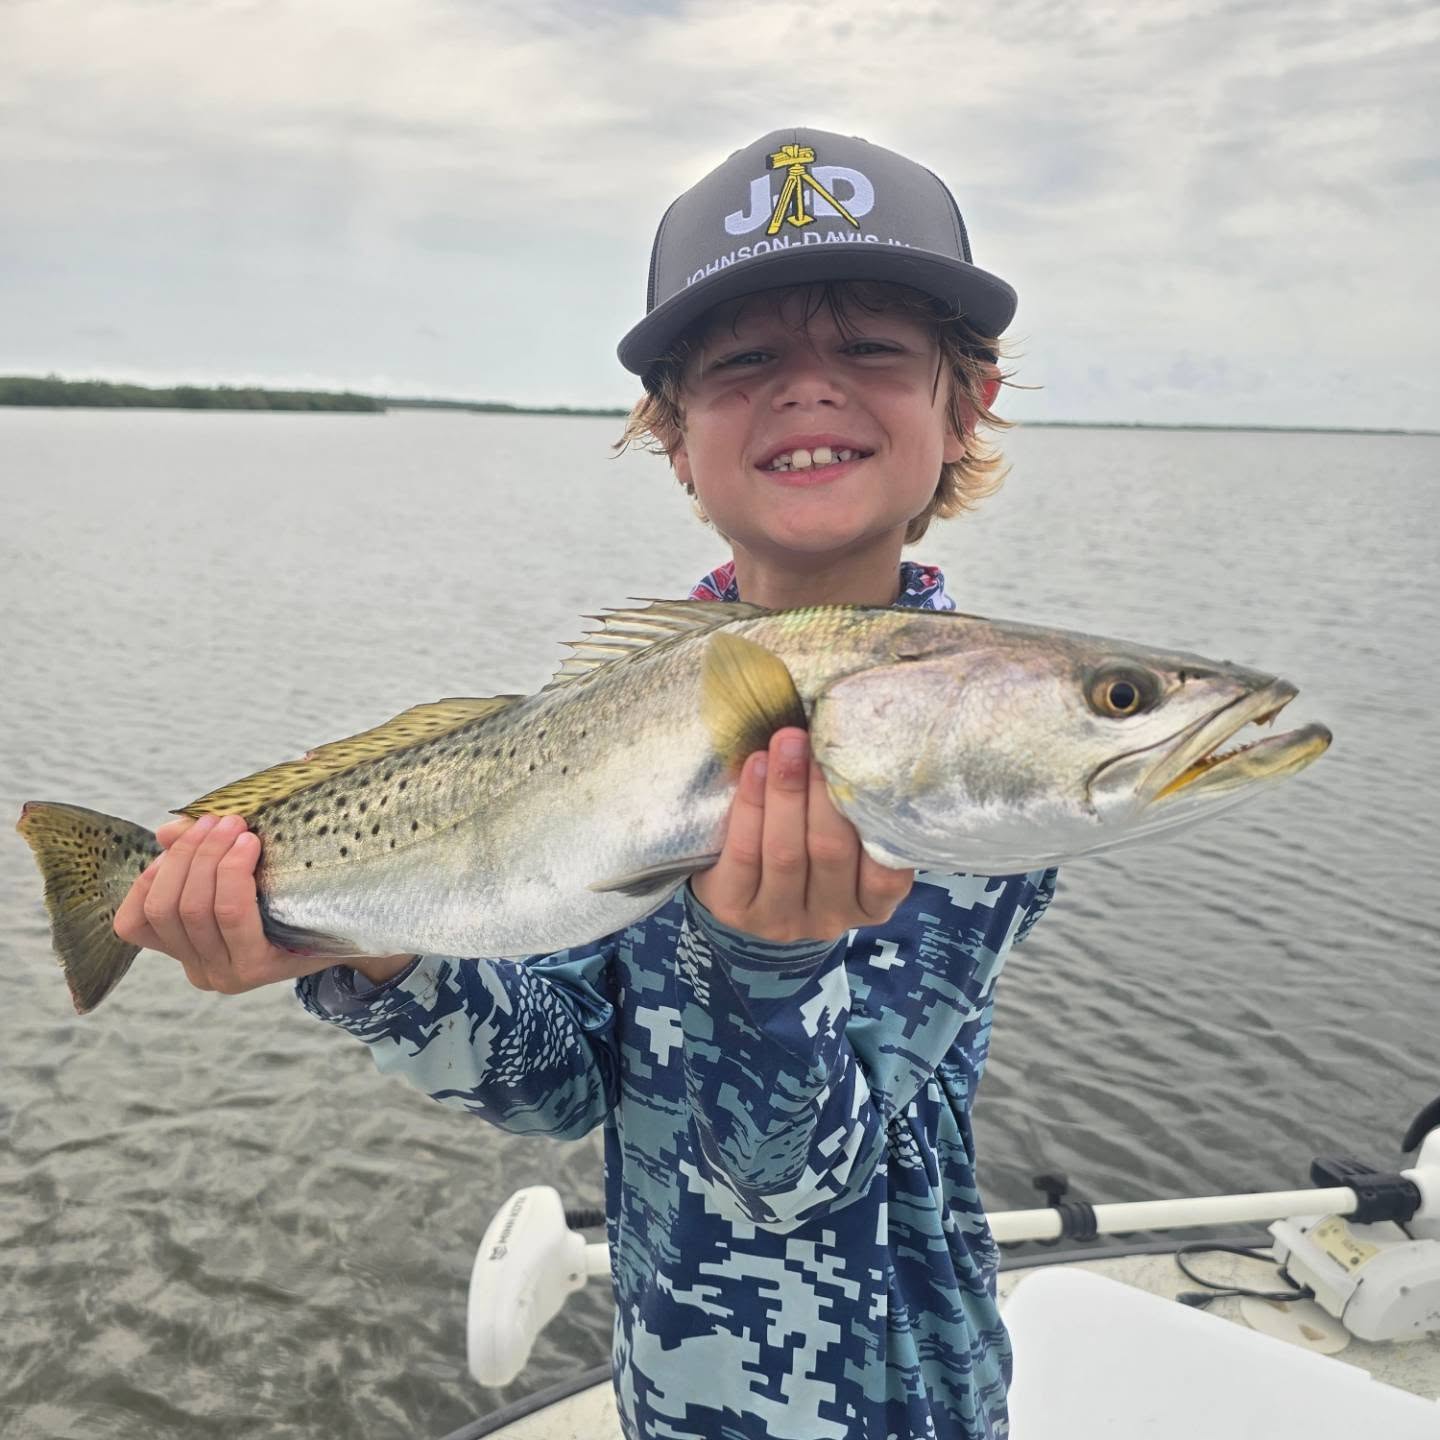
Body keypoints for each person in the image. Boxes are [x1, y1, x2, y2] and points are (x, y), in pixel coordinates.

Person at [114, 128, 1059, 1440]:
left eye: (876, 349)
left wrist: (768, 965)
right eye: (744, 362)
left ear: (969, 404)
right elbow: (556, 1081)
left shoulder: (976, 750)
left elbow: (788, 1177)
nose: (810, 391)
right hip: (665, 1400)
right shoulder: (624, 719)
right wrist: (370, 956)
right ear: (673, 436)